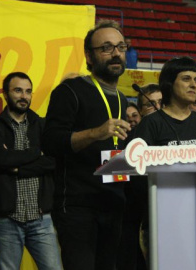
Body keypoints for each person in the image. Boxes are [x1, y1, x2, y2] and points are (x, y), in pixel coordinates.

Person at [42, 19, 131, 270]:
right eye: (106, 47)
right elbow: (50, 143)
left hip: (114, 201)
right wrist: (96, 133)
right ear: (89, 57)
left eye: (120, 47)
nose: (115, 53)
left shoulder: (123, 98)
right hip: (78, 206)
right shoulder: (70, 91)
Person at [134, 56, 196, 270]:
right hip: (164, 217)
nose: (193, 85)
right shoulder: (151, 124)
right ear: (169, 84)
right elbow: (138, 174)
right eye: (186, 79)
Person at [0, 72, 61, 270]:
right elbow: (1, 160)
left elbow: (52, 161)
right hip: (8, 219)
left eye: (28, 91)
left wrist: (17, 168)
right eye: (18, 90)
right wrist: (37, 152)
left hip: (41, 217)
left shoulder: (43, 124)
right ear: (5, 93)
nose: (24, 96)